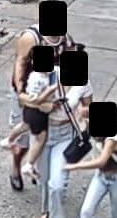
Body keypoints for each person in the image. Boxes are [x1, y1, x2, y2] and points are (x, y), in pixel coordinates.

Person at [8, 23, 77, 191]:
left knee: (44, 137)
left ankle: (35, 168)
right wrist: (21, 94)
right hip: (29, 92)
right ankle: (15, 168)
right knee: (23, 140)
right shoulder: (31, 38)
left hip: (49, 96)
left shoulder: (65, 40)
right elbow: (20, 63)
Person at [34, 67, 92, 218]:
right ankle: (47, 210)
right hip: (42, 133)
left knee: (57, 183)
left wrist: (83, 113)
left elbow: (89, 106)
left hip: (65, 135)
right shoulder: (44, 77)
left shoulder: (83, 81)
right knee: (44, 178)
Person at [1, 66, 58, 180]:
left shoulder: (33, 74)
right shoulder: (41, 79)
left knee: (24, 125)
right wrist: (50, 90)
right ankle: (29, 165)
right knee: (40, 138)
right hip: (38, 112)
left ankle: (8, 140)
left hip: (28, 109)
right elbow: (38, 100)